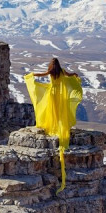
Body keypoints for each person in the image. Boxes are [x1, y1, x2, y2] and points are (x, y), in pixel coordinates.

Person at [23, 58, 82, 193]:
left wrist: (31, 75)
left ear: (51, 65)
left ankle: (53, 126)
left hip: (52, 94)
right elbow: (69, 75)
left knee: (52, 111)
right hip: (60, 95)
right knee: (61, 112)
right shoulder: (61, 71)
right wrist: (75, 75)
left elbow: (40, 75)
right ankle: (58, 126)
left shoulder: (50, 71)